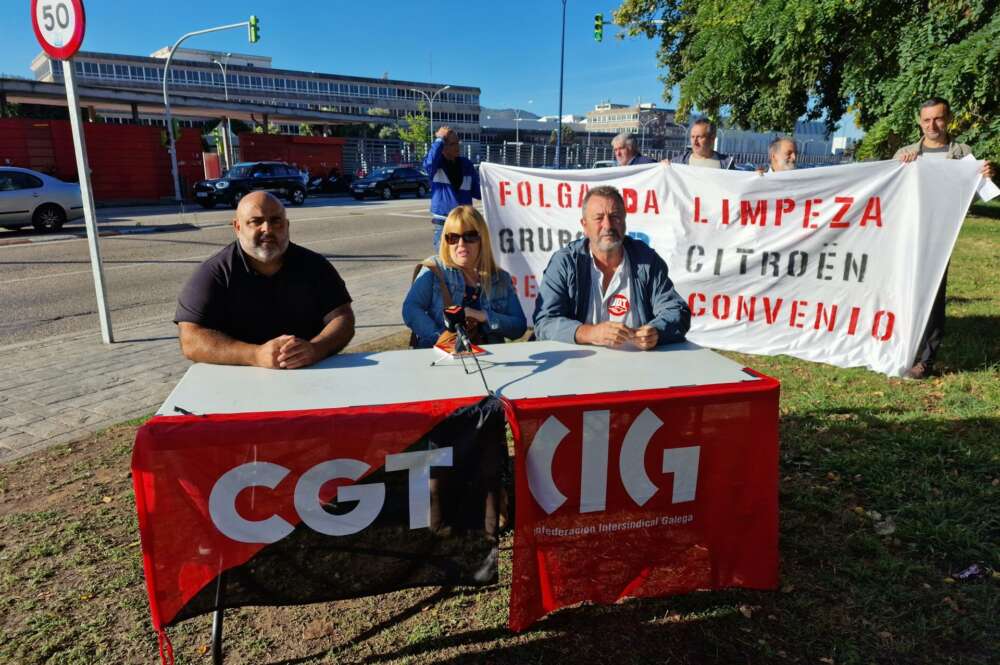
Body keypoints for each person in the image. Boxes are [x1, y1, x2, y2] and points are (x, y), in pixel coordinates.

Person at [175, 191, 355, 369]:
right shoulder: (215, 272)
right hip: (240, 384)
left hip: (311, 375)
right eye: (256, 221)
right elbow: (190, 339)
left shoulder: (315, 266)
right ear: (237, 227)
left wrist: (316, 349)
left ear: (287, 225)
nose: (267, 229)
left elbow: (343, 318)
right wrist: (255, 355)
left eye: (276, 221)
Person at [894, 97, 995, 379]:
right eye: (926, 120)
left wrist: (984, 176)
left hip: (940, 237)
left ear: (948, 119)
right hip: (907, 235)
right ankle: (900, 349)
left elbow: (972, 197)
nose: (932, 125)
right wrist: (901, 167)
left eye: (938, 119)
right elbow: (890, 191)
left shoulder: (963, 154)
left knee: (933, 298)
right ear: (919, 121)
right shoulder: (905, 153)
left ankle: (925, 360)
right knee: (903, 294)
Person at [533, 185, 690, 349]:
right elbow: (545, 322)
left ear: (624, 221)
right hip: (577, 365)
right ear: (584, 225)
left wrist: (657, 332)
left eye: (615, 216)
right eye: (599, 218)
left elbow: (676, 311)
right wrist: (589, 333)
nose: (608, 226)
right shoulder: (565, 263)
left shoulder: (647, 261)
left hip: (637, 365)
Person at [402, 205, 526, 348]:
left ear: (482, 239)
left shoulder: (500, 278)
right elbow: (410, 309)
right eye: (453, 237)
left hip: (491, 361)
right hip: (440, 360)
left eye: (470, 236)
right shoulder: (434, 270)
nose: (461, 244)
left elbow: (519, 326)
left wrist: (481, 315)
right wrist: (441, 338)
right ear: (446, 241)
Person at [423, 126, 481, 249]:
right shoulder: (436, 165)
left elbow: (478, 192)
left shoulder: (466, 164)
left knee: (465, 261)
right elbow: (429, 163)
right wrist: (439, 139)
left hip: (465, 222)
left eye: (458, 143)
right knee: (445, 262)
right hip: (444, 222)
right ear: (443, 147)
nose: (457, 146)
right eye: (453, 144)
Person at [671, 118, 736, 169]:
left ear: (712, 138)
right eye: (692, 137)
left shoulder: (727, 164)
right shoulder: (677, 163)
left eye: (699, 137)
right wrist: (664, 168)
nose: (694, 141)